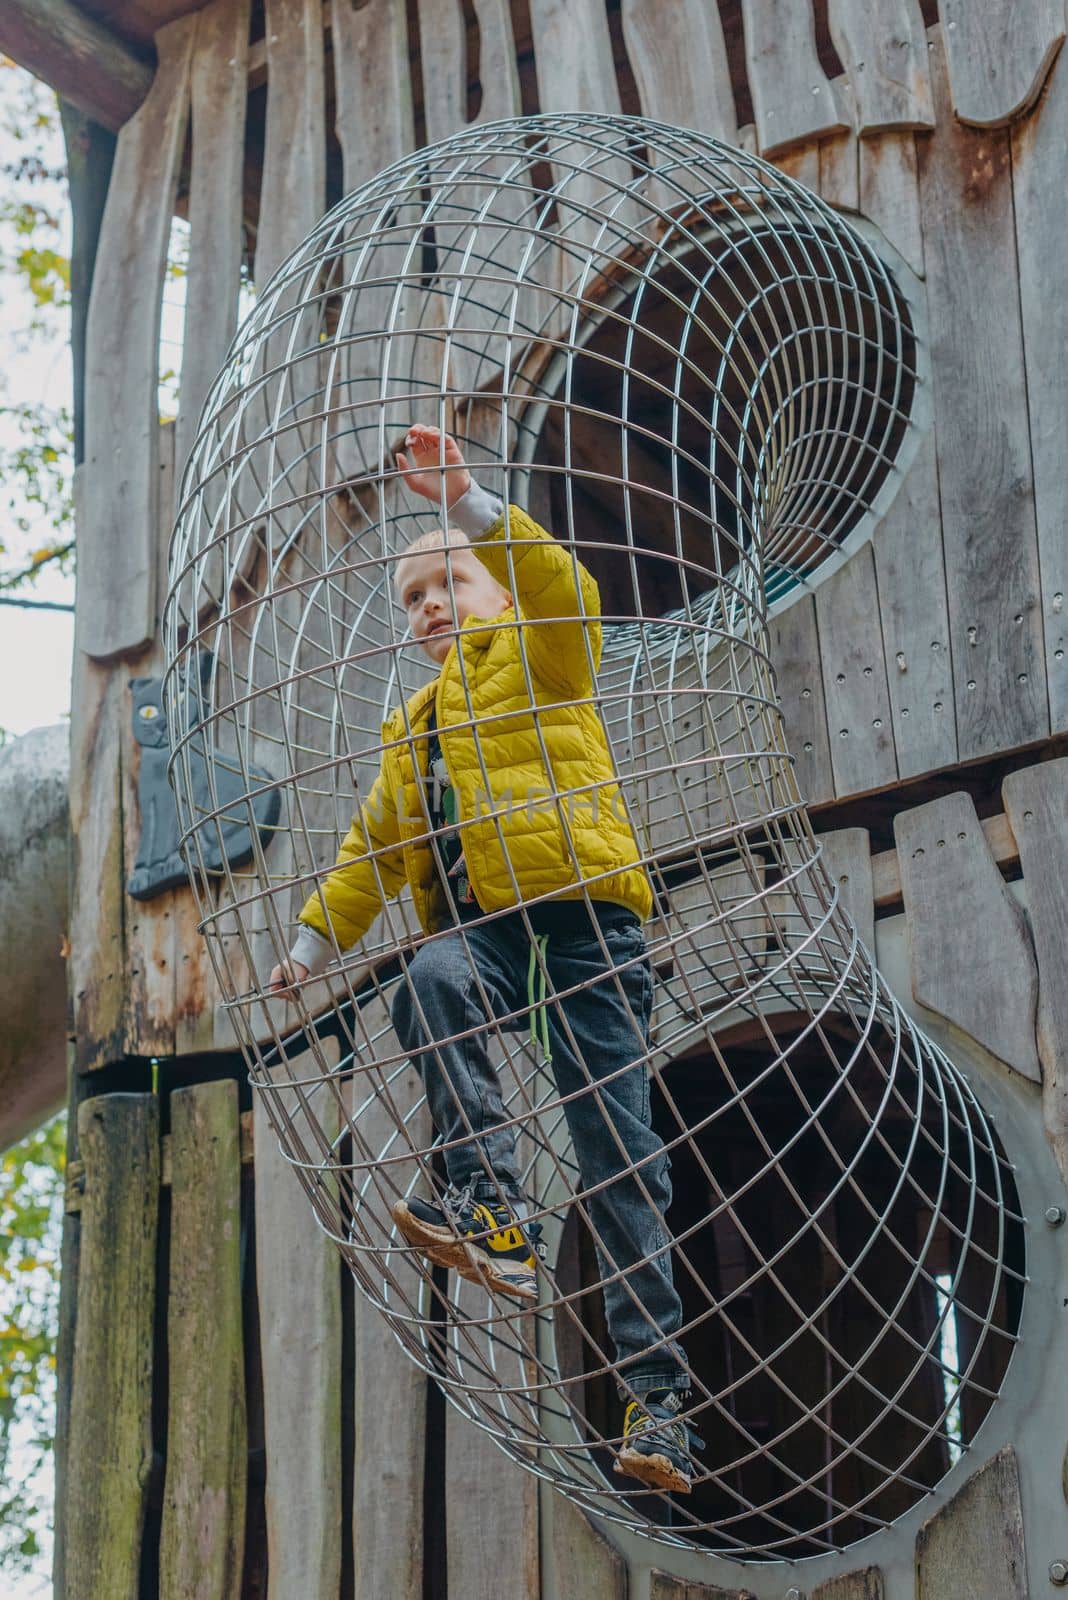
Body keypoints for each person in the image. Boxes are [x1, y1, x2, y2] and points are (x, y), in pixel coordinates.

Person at [268, 424, 699, 1492]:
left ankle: (662, 1403)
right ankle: (490, 1202)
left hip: (585, 922)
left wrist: (469, 505)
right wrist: (314, 943)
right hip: (492, 936)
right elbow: (373, 846)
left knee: (619, 1152)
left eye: (450, 582)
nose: (432, 606)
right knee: (434, 977)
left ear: (494, 590)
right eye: (414, 599)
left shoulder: (545, 654)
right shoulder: (410, 726)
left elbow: (560, 586)